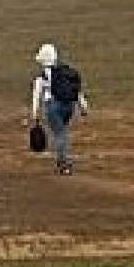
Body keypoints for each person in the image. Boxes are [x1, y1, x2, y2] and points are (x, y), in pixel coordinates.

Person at [32, 42, 90, 174]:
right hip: (69, 106)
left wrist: (35, 115)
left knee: (60, 133)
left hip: (53, 107)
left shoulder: (42, 78)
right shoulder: (65, 73)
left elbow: (37, 96)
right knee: (62, 132)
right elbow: (76, 91)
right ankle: (63, 159)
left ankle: (64, 163)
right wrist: (83, 106)